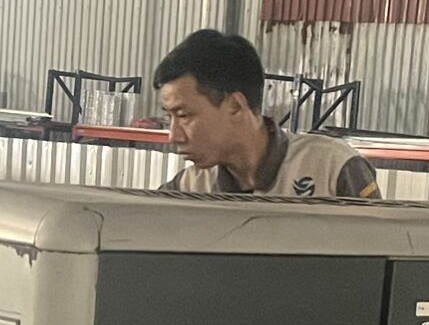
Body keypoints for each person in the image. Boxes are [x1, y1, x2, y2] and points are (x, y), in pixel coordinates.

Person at [154, 30, 380, 200]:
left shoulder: (332, 169)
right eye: (168, 118)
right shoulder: (188, 190)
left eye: (184, 115)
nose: (174, 136)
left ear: (235, 105)